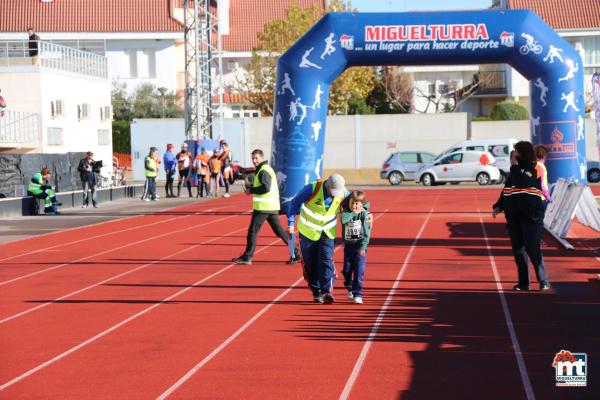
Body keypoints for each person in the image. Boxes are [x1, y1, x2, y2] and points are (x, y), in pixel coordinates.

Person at [493, 141, 550, 291]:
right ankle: (524, 282)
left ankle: (543, 280)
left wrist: (514, 166)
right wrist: (498, 205)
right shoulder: (515, 171)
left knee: (532, 247)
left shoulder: (533, 168)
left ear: (522, 153)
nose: (513, 155)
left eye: (516, 152)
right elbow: (507, 189)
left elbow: (521, 181)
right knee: (519, 250)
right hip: (514, 216)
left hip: (532, 215)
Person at [232, 149, 301, 265]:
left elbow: (266, 188)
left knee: (252, 231)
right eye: (253, 158)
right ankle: (296, 252)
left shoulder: (264, 171)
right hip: (271, 207)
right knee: (280, 232)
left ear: (262, 158)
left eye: (256, 158)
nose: (254, 161)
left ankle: (247, 257)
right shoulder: (264, 169)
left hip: (264, 207)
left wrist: (251, 190)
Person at [287, 174, 348, 304]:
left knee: (326, 259)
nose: (335, 195)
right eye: (333, 192)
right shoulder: (311, 189)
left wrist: (366, 213)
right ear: (328, 185)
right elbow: (294, 203)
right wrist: (291, 223)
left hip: (327, 232)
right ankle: (316, 291)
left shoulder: (343, 192)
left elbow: (357, 203)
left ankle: (327, 291)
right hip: (308, 231)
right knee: (310, 263)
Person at [341, 190, 372, 304]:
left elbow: (367, 232)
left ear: (362, 204)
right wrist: (354, 213)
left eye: (357, 204)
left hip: (360, 246)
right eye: (353, 203)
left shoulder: (364, 214)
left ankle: (358, 293)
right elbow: (343, 220)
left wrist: (363, 247)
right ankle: (349, 286)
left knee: (359, 271)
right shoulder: (345, 213)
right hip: (349, 247)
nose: (355, 206)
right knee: (347, 270)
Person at [534, 145, 552, 211]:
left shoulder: (533, 165)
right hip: (539, 197)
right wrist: (547, 196)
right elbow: (541, 184)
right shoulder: (540, 166)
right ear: (544, 155)